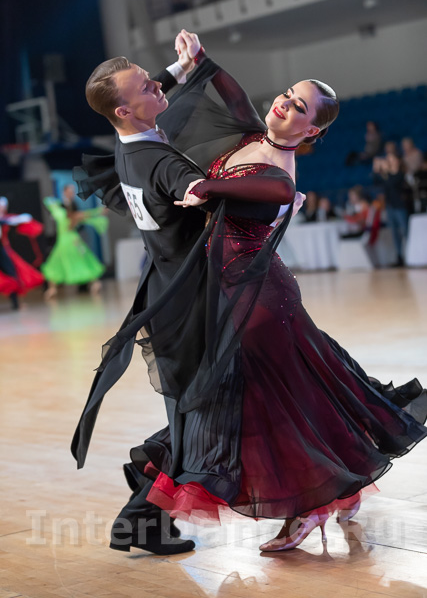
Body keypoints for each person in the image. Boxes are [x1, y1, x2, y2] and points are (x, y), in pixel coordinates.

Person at [73, 43, 427, 555]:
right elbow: (232, 103)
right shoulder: (235, 138)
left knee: (245, 406)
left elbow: (272, 189)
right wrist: (194, 67)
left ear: (312, 131)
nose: (284, 103)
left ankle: (311, 495)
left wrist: (210, 186)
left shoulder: (147, 147)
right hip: (211, 295)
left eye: (299, 106)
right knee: (249, 404)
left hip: (247, 297)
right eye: (287, 94)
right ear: (125, 110)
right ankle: (316, 493)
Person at [71, 32, 305, 556]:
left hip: (168, 290)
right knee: (205, 418)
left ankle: (145, 493)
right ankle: (142, 506)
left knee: (202, 413)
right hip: (189, 302)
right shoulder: (165, 166)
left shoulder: (129, 142)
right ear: (126, 110)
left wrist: (181, 69)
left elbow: (143, 93)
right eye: (147, 87)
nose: (158, 86)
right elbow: (244, 193)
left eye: (152, 79)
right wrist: (278, 196)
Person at [41, 184, 108, 299]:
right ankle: (53, 288)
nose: (72, 193)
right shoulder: (61, 208)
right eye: (70, 191)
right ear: (64, 192)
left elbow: (84, 216)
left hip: (70, 239)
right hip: (65, 240)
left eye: (72, 191)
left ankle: (93, 282)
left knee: (77, 260)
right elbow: (48, 202)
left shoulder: (69, 210)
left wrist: (98, 212)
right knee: (61, 261)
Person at [0, 197, 44, 310]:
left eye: (3, 206)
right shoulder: (5, 219)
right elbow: (7, 221)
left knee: (12, 273)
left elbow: (12, 220)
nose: (2, 208)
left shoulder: (6, 217)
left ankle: (16, 303)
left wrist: (22, 219)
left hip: (3, 250)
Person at [373, 146, 408, 266]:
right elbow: (377, 182)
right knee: (394, 233)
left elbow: (392, 184)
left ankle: (410, 253)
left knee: (405, 231)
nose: (388, 161)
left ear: (397, 161)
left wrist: (385, 171)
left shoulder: (401, 174)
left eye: (391, 159)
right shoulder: (387, 175)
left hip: (400, 206)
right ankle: (399, 256)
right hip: (390, 206)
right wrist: (376, 170)